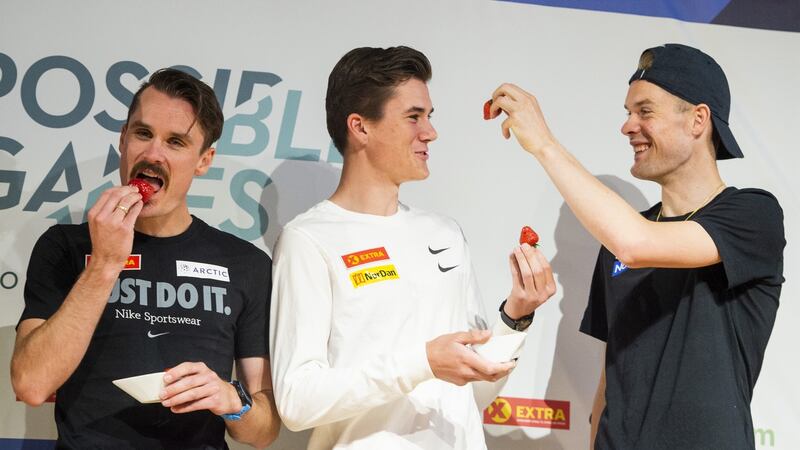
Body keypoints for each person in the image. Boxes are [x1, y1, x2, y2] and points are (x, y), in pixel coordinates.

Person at [486, 44, 785, 449]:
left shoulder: (752, 213)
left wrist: (544, 144)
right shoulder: (622, 238)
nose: (627, 127)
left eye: (644, 112)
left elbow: (636, 244)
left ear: (698, 119)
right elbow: (611, 381)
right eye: (627, 113)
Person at [269, 46, 556, 449]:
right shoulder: (309, 239)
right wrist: (422, 362)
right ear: (360, 127)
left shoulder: (445, 234)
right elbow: (297, 402)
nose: (430, 132)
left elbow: (475, 390)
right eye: (413, 117)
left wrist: (516, 317)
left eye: (429, 117)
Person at [11, 68, 280, 449]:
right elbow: (31, 385)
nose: (153, 154)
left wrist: (231, 400)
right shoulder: (64, 247)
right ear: (123, 139)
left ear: (204, 160)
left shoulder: (245, 264)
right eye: (143, 133)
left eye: (176, 142)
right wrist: (105, 263)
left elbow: (265, 430)